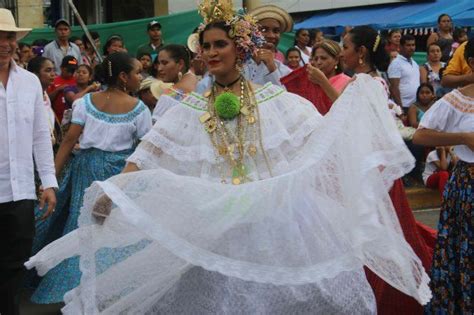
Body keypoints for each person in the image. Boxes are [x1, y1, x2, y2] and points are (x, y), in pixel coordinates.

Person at [26, 3, 430, 313]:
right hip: (215, 223)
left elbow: (319, 138)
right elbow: (152, 151)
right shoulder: (187, 107)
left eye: (221, 44)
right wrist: (115, 191)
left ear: (239, 49)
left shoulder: (275, 100)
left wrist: (358, 104)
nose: (213, 51)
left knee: (271, 297)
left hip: (270, 222)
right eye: (207, 45)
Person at [29, 52, 152, 305]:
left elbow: (68, 142)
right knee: (116, 227)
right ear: (123, 76)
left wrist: (50, 180)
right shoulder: (140, 109)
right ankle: (112, 288)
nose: (140, 77)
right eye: (137, 72)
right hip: (122, 174)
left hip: (87, 168)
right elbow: (144, 151)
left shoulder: (85, 103)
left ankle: (77, 289)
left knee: (82, 226)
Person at [341, 25, 435, 314]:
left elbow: (366, 130)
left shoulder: (367, 84)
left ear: (361, 53)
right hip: (367, 168)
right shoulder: (365, 81)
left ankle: (390, 297)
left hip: (372, 172)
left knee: (381, 236)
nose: (342, 52)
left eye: (346, 46)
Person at [0, 9, 57, 315]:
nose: (4, 43)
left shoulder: (31, 83)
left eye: (8, 36)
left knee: (13, 267)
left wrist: (48, 182)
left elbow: (39, 136)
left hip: (20, 191)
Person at [413, 39, 474, 314]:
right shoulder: (457, 100)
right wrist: (462, 137)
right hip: (469, 185)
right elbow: (420, 134)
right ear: (471, 63)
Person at [281, 39, 350, 115]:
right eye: (316, 59)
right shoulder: (310, 82)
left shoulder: (347, 82)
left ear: (336, 60)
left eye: (323, 58)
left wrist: (323, 82)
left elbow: (344, 109)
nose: (319, 62)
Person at [151, 44, 197, 119]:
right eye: (159, 63)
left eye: (165, 63)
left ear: (180, 64)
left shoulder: (169, 97)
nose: (159, 68)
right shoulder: (201, 83)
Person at [27, 56, 60, 144]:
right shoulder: (28, 97)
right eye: (48, 70)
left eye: (53, 70)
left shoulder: (44, 94)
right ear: (35, 74)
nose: (53, 74)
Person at [388, 34, 420, 112]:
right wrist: (400, 108)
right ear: (400, 47)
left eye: (413, 45)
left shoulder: (415, 63)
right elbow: (394, 88)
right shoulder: (396, 64)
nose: (411, 48)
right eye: (408, 45)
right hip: (403, 106)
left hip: (416, 105)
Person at [47, 55, 78, 122]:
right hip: (57, 118)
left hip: (74, 118)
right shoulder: (53, 80)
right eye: (68, 70)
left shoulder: (77, 80)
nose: (70, 73)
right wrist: (58, 89)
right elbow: (47, 99)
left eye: (73, 70)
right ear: (61, 68)